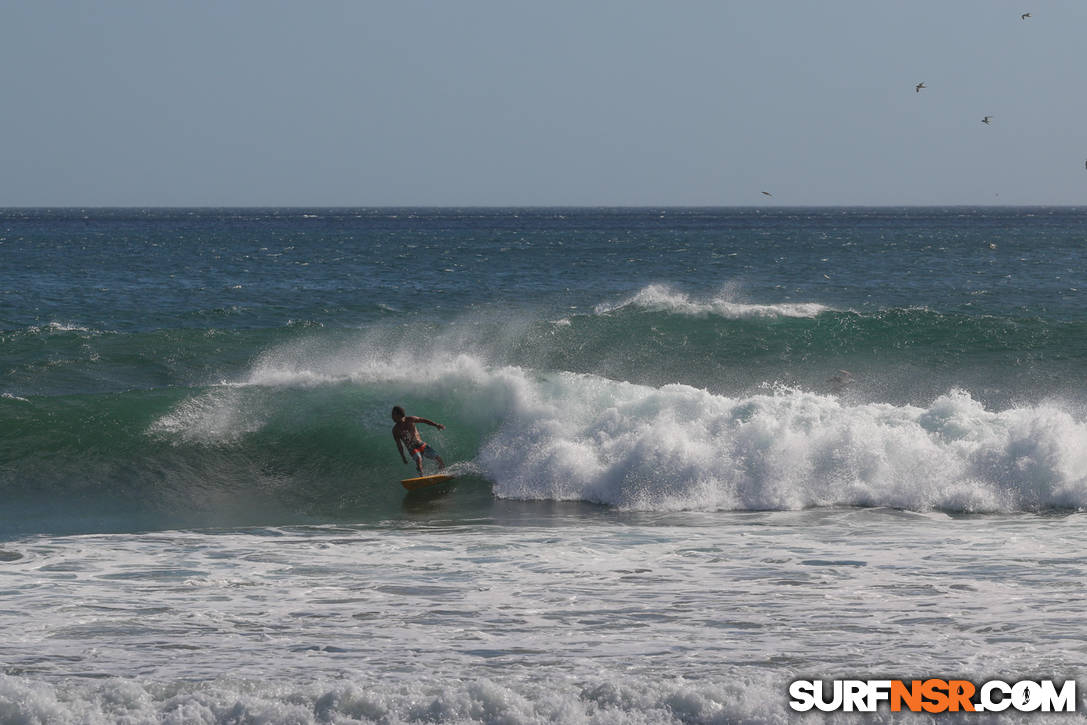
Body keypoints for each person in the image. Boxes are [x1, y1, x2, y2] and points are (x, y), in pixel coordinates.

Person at [391, 405, 446, 475]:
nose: (392, 417)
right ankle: (422, 478)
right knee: (419, 459)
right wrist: (403, 457)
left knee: (438, 458)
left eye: (393, 414)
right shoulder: (395, 430)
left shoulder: (411, 419)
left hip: (421, 444)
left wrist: (436, 425)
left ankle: (443, 473)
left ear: (399, 415)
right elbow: (399, 445)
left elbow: (424, 420)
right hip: (412, 448)